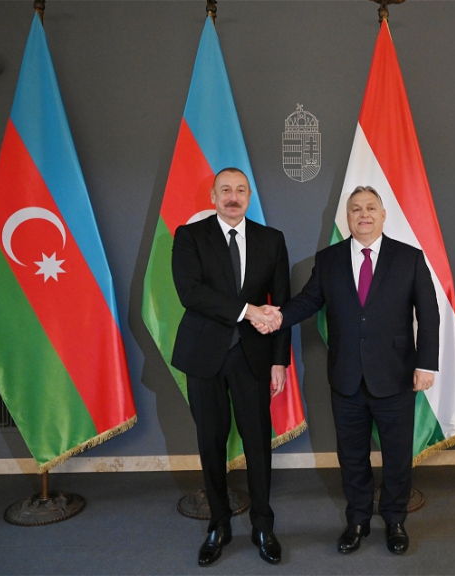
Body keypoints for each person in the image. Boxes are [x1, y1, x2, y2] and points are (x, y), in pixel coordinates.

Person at [255, 186, 439, 555]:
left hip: (396, 375)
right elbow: (308, 301)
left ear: (383, 215)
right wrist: (276, 317)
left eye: (371, 208)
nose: (364, 214)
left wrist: (426, 364)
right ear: (348, 217)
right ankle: (357, 520)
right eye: (356, 209)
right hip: (346, 377)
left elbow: (429, 315)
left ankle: (395, 520)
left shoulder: (410, 258)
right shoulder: (329, 260)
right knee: (352, 456)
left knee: (397, 455)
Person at [171, 167, 290, 567]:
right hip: (203, 355)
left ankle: (263, 526)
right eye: (225, 190)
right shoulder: (189, 236)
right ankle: (218, 525)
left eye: (240, 190)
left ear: (249, 196)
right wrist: (248, 310)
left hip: (253, 358)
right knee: (211, 443)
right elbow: (191, 293)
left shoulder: (272, 240)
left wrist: (280, 360)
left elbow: (282, 304)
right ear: (213, 197)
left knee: (258, 443)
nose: (233, 197)